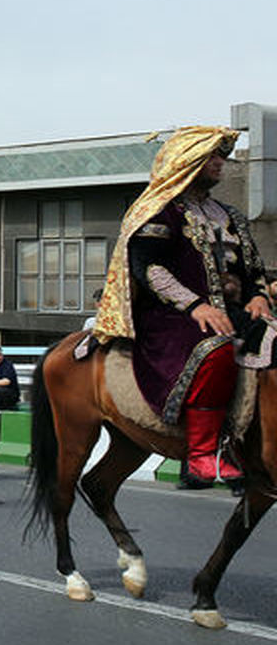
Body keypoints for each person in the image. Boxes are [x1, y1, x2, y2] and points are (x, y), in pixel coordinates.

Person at [94, 126, 272, 485]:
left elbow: (253, 268)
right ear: (188, 160)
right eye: (213, 156)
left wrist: (258, 296)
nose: (221, 163)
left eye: (222, 156)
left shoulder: (231, 215)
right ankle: (202, 453)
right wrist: (195, 306)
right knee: (217, 349)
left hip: (235, 311)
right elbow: (149, 267)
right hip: (172, 314)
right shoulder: (161, 211)